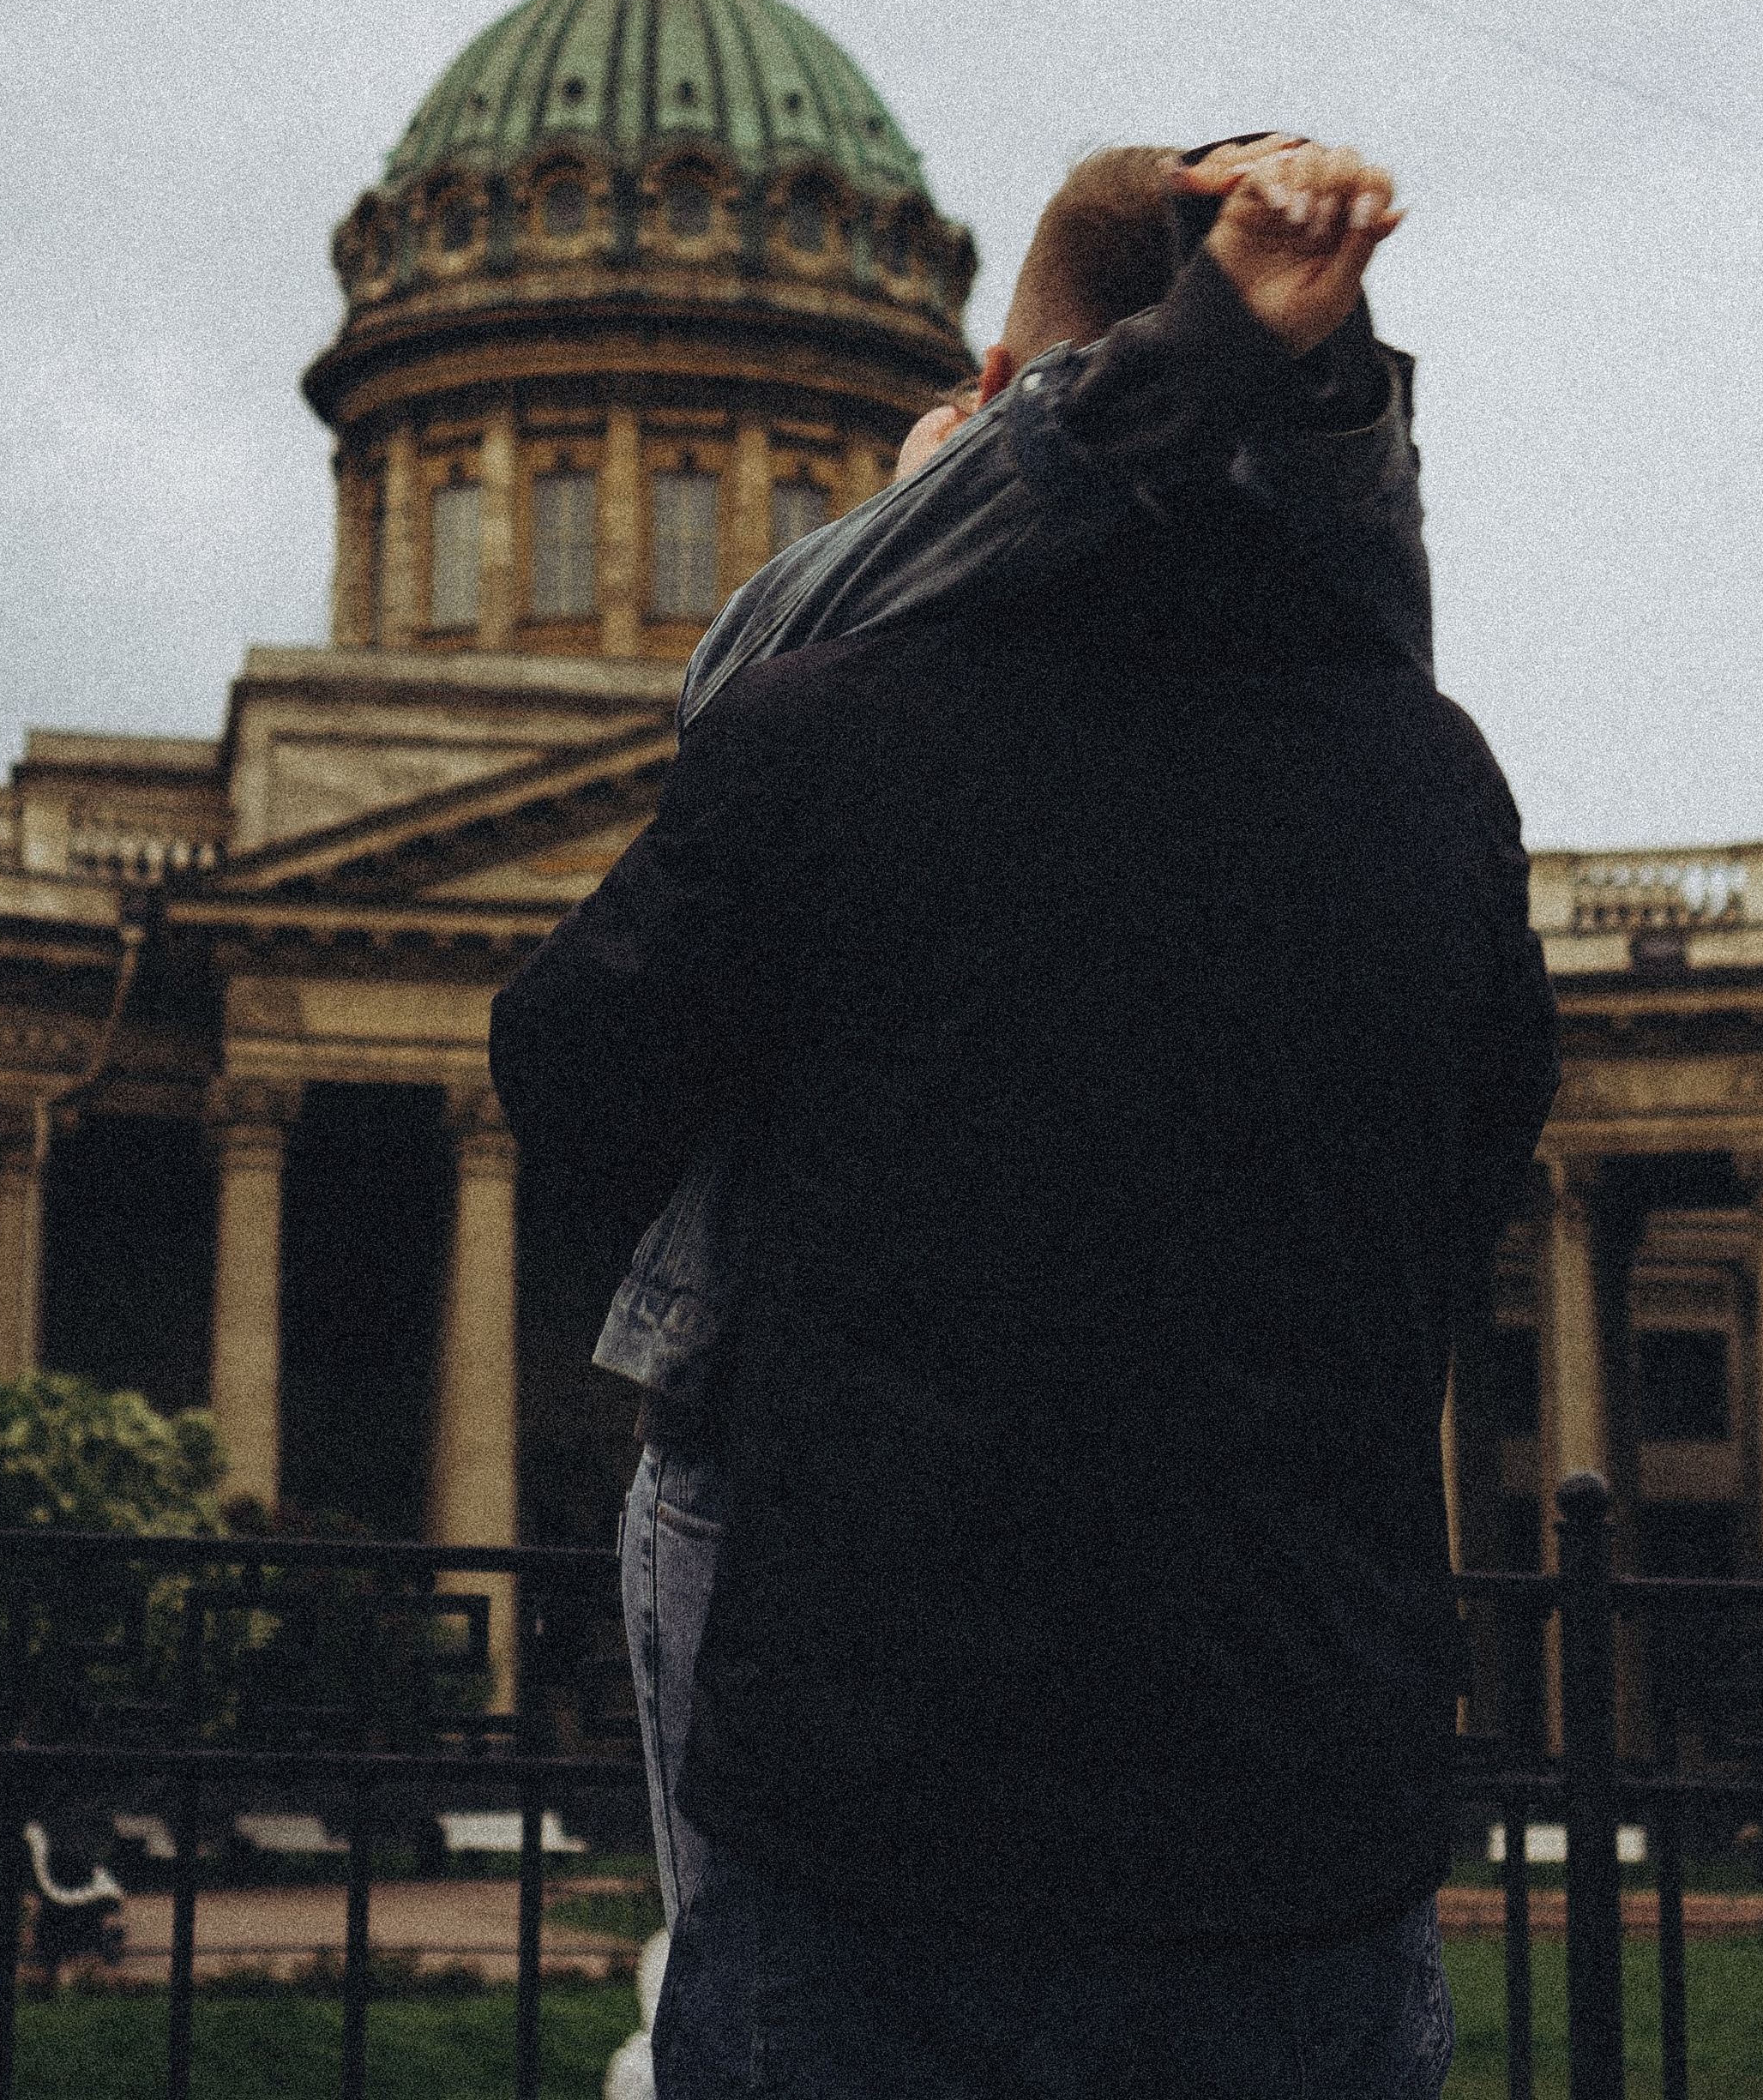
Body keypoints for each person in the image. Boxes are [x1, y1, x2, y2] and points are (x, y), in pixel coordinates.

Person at [493, 147, 1558, 2097]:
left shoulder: (815, 725)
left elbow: (565, 1089)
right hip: (1295, 1784)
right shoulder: (1430, 776)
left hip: (890, 1792)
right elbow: (1476, 1176)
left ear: (996, 413)